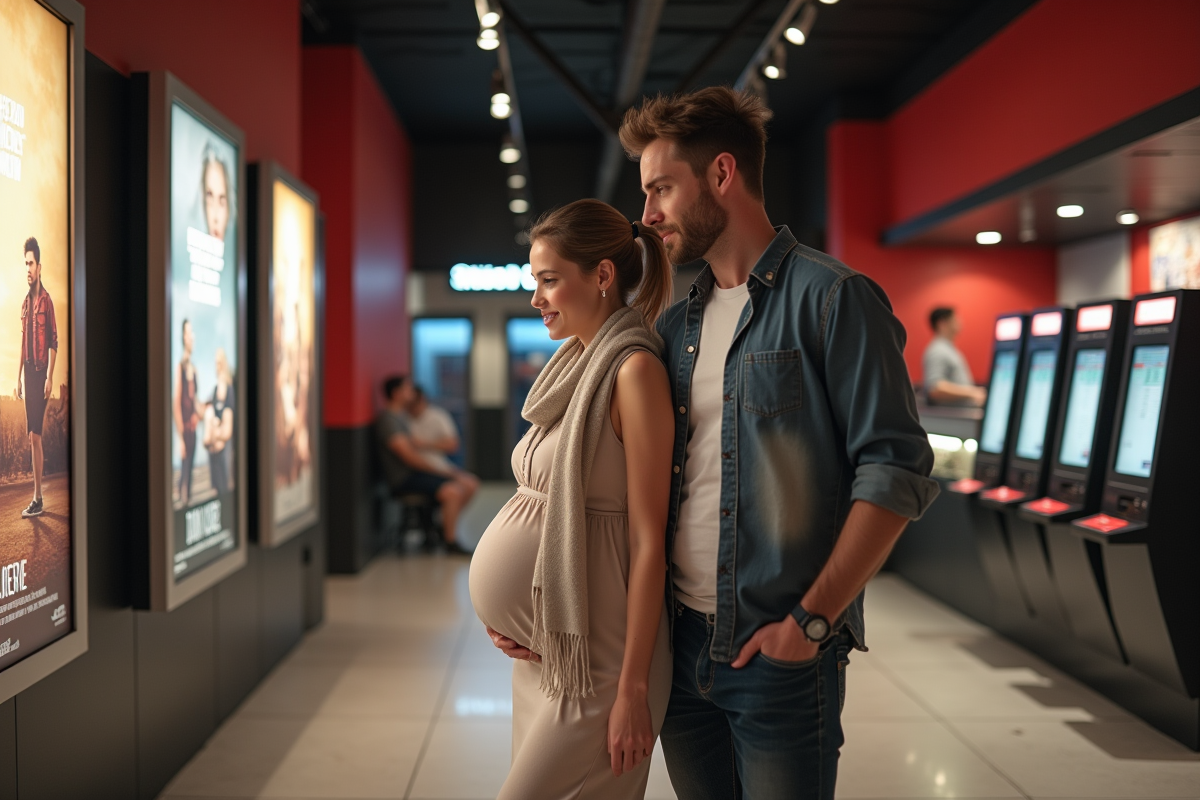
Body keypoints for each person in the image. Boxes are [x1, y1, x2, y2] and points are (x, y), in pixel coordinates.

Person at [620, 87, 939, 799]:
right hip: (681, 649)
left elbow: (895, 472)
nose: (647, 215)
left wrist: (812, 622)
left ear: (722, 174)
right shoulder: (676, 324)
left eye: (662, 189)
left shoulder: (834, 298)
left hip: (779, 655)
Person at [469, 200, 676, 799]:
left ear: (603, 275)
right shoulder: (576, 366)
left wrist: (633, 689)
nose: (537, 298)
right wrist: (512, 616)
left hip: (603, 668)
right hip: (550, 655)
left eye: (550, 280)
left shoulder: (633, 372)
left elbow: (647, 543)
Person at [376, 375, 473, 555]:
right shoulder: (389, 420)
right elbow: (409, 458)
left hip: (414, 474)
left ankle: (441, 528)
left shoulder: (401, 418)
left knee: (466, 485)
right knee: (453, 491)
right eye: (407, 389)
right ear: (397, 394)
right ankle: (449, 541)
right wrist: (443, 473)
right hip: (404, 478)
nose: (412, 393)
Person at [16, 237, 58, 519]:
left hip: (41, 372)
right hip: (28, 374)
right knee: (33, 436)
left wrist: (50, 377)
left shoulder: (47, 301)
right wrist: (17, 377)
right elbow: (22, 344)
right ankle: (37, 497)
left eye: (31, 263)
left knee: (36, 435)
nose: (28, 268)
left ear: (39, 266)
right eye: (25, 264)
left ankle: (38, 497)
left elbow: (54, 340)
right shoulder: (24, 304)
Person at [408, 386, 479, 499]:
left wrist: (423, 444)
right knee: (454, 492)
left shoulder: (437, 416)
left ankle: (450, 515)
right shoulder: (403, 419)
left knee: (471, 483)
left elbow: (453, 445)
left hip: (439, 464)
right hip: (419, 469)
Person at [923, 307, 986, 406]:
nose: (959, 322)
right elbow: (935, 388)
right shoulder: (937, 351)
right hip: (952, 419)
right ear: (942, 323)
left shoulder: (948, 349)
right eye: (955, 319)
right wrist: (972, 393)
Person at [173, 319, 200, 507]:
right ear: (184, 336)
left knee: (189, 475)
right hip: (185, 432)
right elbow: (176, 403)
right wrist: (181, 437)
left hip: (194, 430)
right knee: (183, 478)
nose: (193, 336)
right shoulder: (180, 367)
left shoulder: (194, 369)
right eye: (189, 332)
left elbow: (195, 402)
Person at [203, 348, 235, 495]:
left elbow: (228, 426)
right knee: (216, 487)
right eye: (216, 364)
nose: (217, 367)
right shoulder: (215, 390)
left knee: (224, 486)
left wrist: (219, 433)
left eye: (220, 363)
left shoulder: (230, 390)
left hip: (224, 446)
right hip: (214, 448)